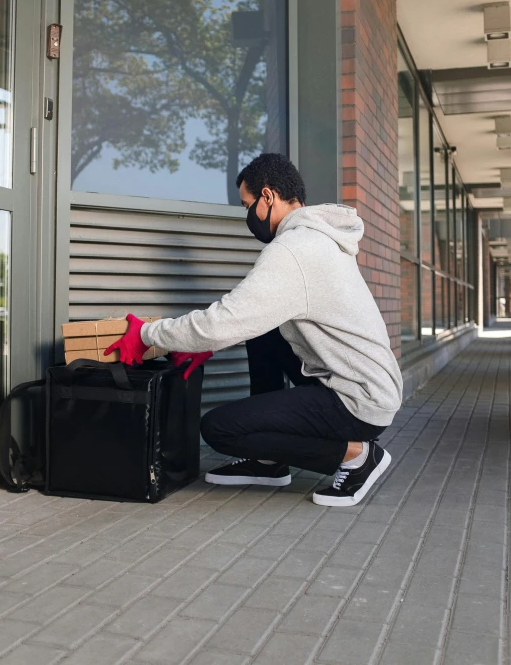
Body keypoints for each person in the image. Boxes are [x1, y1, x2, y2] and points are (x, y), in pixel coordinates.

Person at [105, 153, 402, 506]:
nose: (248, 217)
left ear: (268, 197)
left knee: (219, 429)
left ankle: (356, 456)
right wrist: (202, 343)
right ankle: (269, 462)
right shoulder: (317, 240)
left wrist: (145, 335)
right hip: (365, 382)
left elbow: (227, 319)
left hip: (358, 400)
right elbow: (250, 316)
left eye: (248, 206)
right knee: (265, 329)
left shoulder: (295, 250)